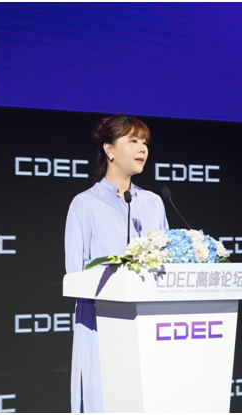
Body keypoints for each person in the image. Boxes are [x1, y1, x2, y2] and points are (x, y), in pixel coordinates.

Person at [64, 114, 169, 413]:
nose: (142, 148)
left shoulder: (153, 202)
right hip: (102, 324)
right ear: (109, 150)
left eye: (145, 142)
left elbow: (166, 263)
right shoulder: (85, 204)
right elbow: (75, 276)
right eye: (133, 141)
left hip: (148, 324)